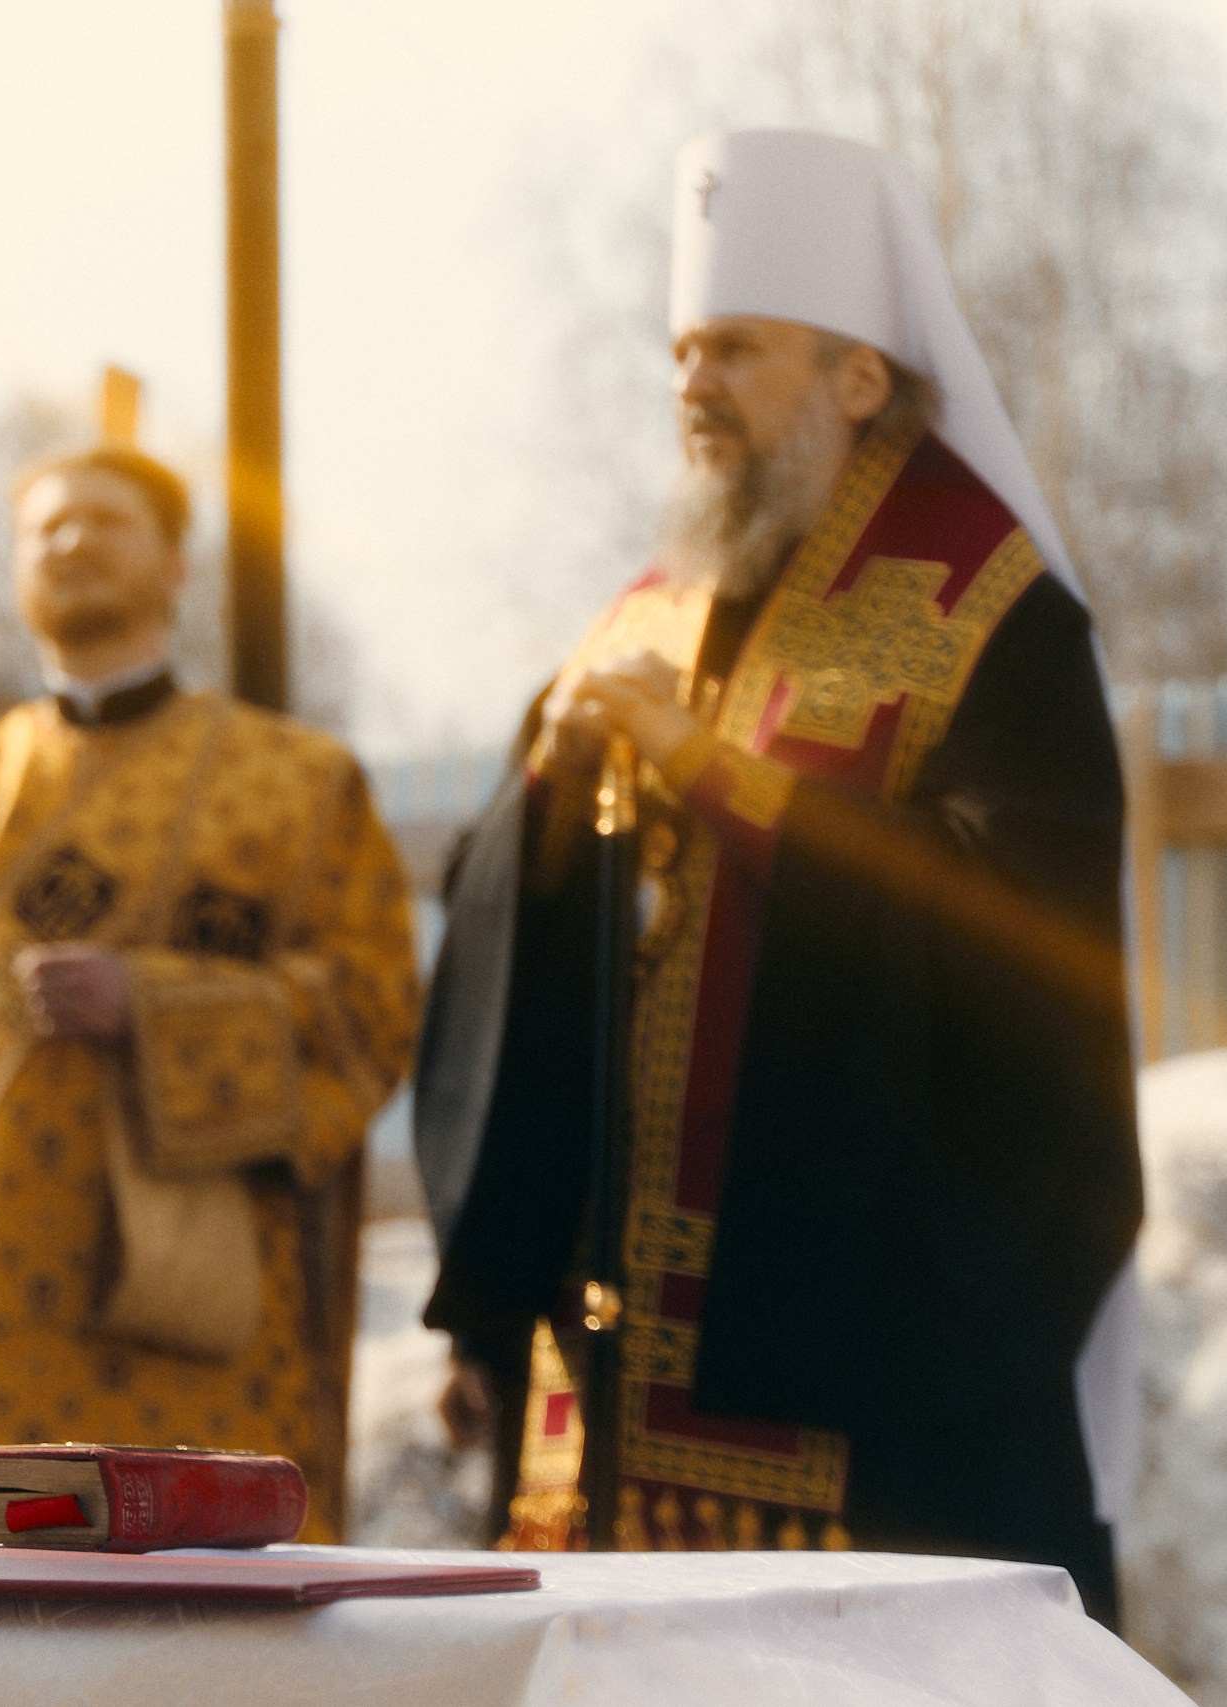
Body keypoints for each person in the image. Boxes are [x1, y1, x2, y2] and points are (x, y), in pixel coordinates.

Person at [414, 130, 1141, 1622]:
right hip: (603, 1423)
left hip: (866, 1415)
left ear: (857, 378)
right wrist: (541, 822)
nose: (691, 383)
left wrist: (724, 783)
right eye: (683, 350)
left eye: (735, 348)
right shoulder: (637, 618)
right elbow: (498, 939)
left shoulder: (990, 614)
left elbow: (1017, 957)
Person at [0, 444, 417, 1539]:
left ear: (176, 566)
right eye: (47, 528)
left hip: (204, 1299)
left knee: (214, 1611)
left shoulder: (297, 783)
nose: (73, 542)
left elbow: (371, 1004)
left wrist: (157, 1004)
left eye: (107, 522)